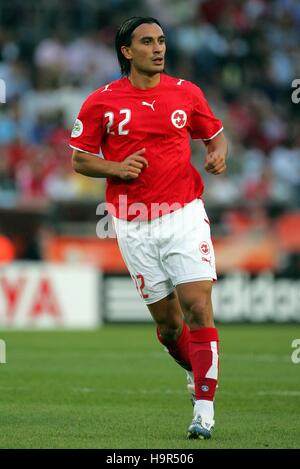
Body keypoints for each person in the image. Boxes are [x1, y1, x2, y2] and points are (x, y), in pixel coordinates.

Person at [70, 16, 228, 440]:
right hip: (132, 222)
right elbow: (80, 159)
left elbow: (214, 135)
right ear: (127, 51)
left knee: (198, 305)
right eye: (147, 42)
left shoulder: (186, 92)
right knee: (170, 325)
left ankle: (204, 408)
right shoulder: (101, 101)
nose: (158, 48)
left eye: (161, 41)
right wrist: (116, 167)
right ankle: (192, 368)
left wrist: (216, 155)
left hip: (184, 213)